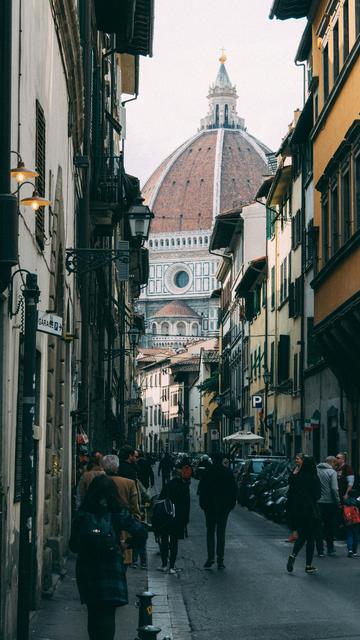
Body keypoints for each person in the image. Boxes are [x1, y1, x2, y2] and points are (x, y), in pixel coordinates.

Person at [69, 475, 147, 640]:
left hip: (87, 569)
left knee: (93, 613)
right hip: (111, 568)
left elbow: (73, 546)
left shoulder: (83, 513)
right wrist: (127, 544)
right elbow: (141, 532)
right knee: (108, 614)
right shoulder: (117, 512)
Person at [198, 451, 236, 570]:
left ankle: (210, 557)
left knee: (210, 532)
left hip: (209, 508)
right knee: (221, 533)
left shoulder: (207, 472)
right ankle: (220, 560)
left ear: (213, 460)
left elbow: (201, 491)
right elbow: (234, 491)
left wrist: (203, 505)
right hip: (223, 509)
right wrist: (230, 506)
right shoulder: (227, 472)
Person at [286, 456, 321, 574]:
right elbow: (318, 495)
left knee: (302, 536)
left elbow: (290, 491)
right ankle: (308, 565)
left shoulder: (297, 477)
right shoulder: (314, 478)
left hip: (298, 511)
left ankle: (293, 555)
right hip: (310, 512)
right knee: (310, 538)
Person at [158, 464, 190, 574]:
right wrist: (186, 520)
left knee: (164, 540)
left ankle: (163, 564)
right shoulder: (184, 487)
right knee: (174, 542)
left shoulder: (168, 485)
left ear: (172, 475)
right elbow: (187, 505)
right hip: (179, 518)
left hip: (166, 516)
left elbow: (160, 500)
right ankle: (172, 565)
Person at [316, 456, 340, 556]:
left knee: (318, 526)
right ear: (332, 462)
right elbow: (334, 489)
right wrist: (338, 501)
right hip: (329, 503)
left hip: (317, 502)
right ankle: (330, 549)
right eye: (335, 464)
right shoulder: (332, 472)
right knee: (329, 526)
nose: (336, 466)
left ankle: (320, 550)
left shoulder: (316, 470)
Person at [336, 452, 358, 557]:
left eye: (338, 458)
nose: (336, 459)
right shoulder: (337, 469)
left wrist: (346, 494)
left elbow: (350, 482)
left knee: (348, 519)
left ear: (343, 459)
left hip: (345, 497)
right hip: (339, 496)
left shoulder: (347, 468)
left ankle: (352, 548)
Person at [286, 453, 304, 543]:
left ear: (302, 460)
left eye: (298, 459)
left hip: (300, 497)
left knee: (299, 516)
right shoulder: (295, 468)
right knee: (292, 515)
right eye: (296, 459)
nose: (296, 460)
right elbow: (290, 480)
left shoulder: (304, 470)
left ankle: (300, 534)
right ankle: (294, 534)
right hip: (292, 495)